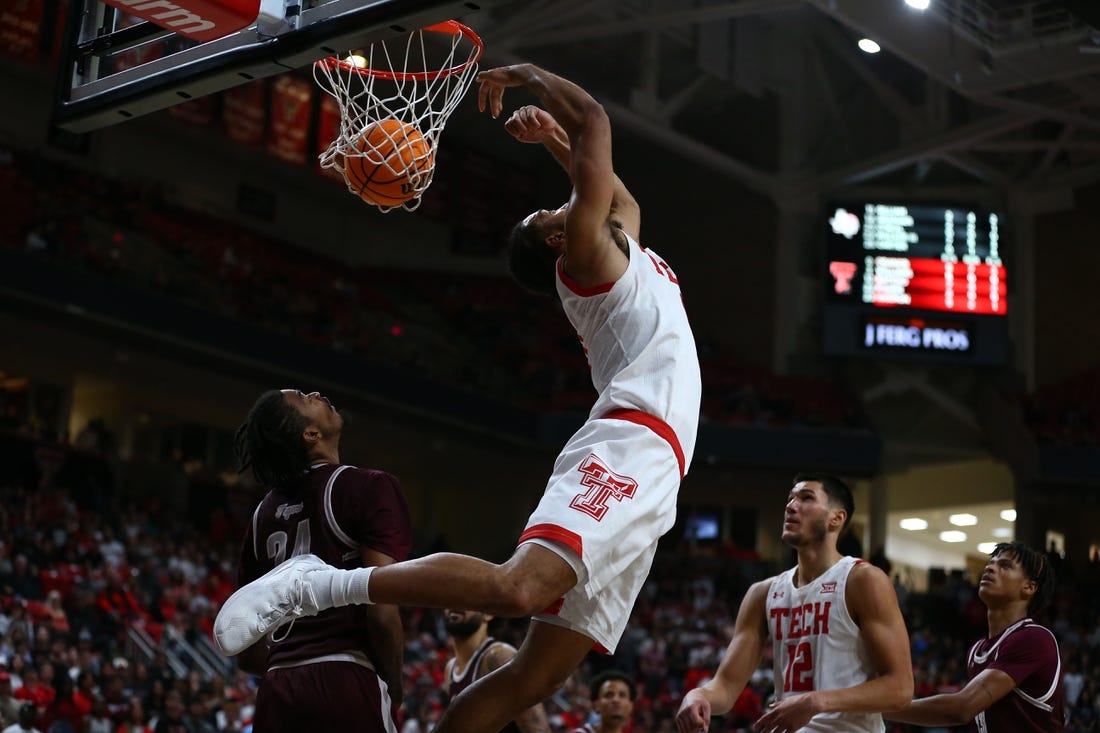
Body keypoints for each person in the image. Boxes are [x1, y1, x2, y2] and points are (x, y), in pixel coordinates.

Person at [215, 62, 702, 733]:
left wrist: (554, 140)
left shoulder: (624, 245)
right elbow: (599, 122)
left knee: (532, 677)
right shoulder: (586, 257)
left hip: (659, 466)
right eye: (554, 212)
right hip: (630, 438)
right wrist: (534, 79)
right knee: (516, 587)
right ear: (560, 238)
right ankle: (319, 583)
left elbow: (620, 195)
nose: (568, 202)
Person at [219, 388, 414, 733]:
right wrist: (394, 686)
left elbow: (246, 649)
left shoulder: (261, 515)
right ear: (310, 434)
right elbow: (382, 613)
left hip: (277, 688)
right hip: (345, 676)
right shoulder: (368, 487)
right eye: (306, 398)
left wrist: (296, 662)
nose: (317, 393)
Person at [675, 474, 913, 733]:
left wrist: (816, 701)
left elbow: (900, 688)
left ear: (836, 518)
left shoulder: (862, 580)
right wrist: (699, 695)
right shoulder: (763, 593)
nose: (791, 506)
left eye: (806, 498)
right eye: (790, 499)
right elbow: (726, 687)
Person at [885, 541, 1064, 732]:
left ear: (1029, 587)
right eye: (991, 563)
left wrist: (876, 709)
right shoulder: (977, 651)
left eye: (1004, 565)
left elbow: (961, 708)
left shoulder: (1034, 638)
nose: (990, 567)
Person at [442, 610, 548, 733]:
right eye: (452, 598)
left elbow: (537, 726)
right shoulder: (450, 668)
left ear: (488, 613)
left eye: (466, 600)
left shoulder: (499, 657)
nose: (455, 605)